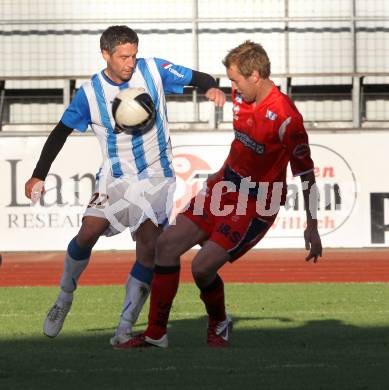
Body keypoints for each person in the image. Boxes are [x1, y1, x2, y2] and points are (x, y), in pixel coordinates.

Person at [114, 40, 323, 349]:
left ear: (255, 76)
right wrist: (209, 90)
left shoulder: (286, 117)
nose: (231, 87)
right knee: (167, 246)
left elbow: (306, 174)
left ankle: (219, 323)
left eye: (235, 80)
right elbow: (224, 107)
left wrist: (313, 224)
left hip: (255, 202)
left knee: (202, 267)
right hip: (222, 187)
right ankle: (156, 334)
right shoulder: (241, 95)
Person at [24, 25, 226, 344]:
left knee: (148, 247)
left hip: (157, 177)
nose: (130, 62)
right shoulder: (90, 93)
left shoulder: (154, 70)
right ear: (105, 54)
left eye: (133, 54)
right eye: (123, 56)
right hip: (114, 178)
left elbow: (200, 78)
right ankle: (64, 297)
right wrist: (39, 173)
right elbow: (61, 131)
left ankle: (124, 327)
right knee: (88, 230)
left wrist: (212, 88)